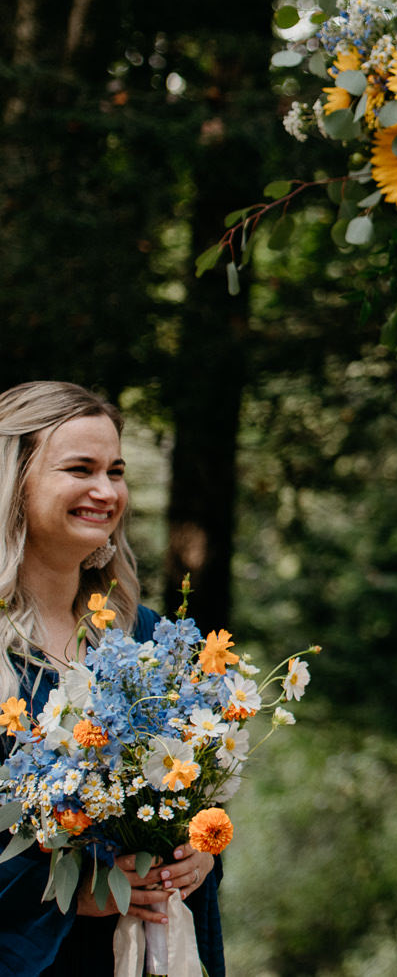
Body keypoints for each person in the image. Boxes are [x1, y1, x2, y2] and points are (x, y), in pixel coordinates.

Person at [0, 381, 224, 975]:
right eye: (80, 469)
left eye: (116, 471)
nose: (106, 491)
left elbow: (188, 794)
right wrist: (68, 894)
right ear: (14, 481)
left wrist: (198, 853)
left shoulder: (146, 639)